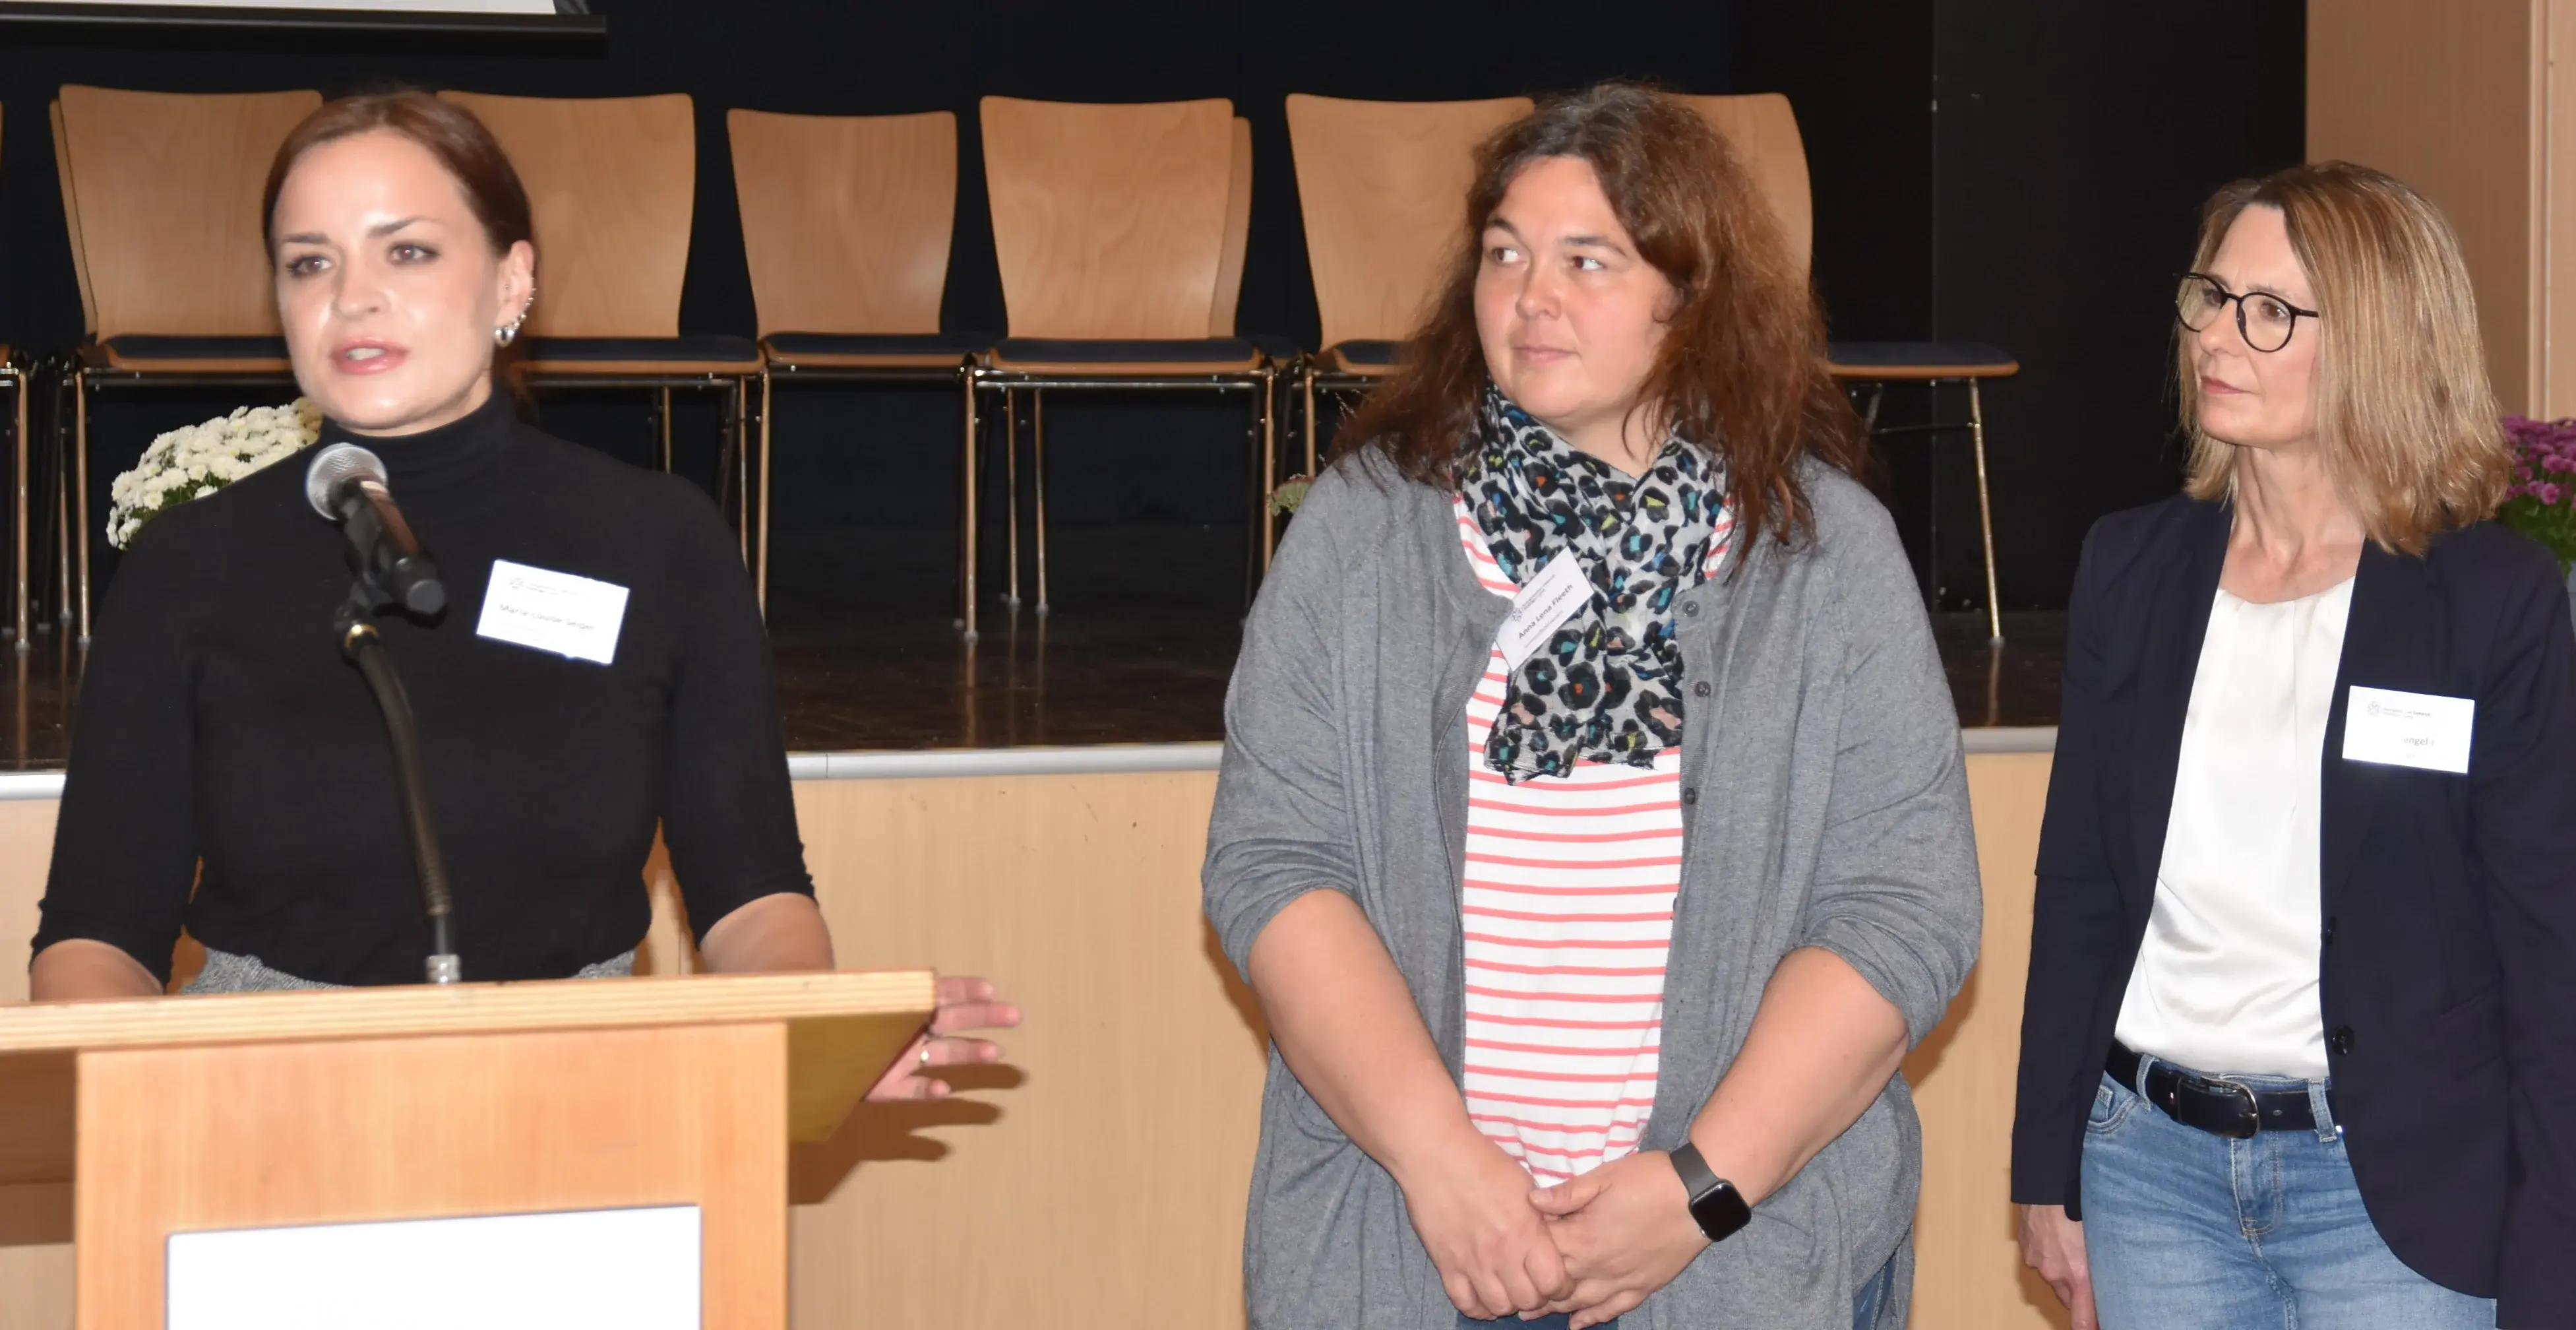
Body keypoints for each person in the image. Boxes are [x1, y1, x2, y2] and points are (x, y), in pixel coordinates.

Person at [27, 91, 1013, 1098]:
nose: (351, 297)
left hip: (585, 1086)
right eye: (309, 261)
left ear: (513, 278)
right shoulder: (192, 563)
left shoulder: (655, 541)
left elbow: (754, 900)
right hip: (250, 1100)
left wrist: (813, 1046)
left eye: (406, 252)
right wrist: (140, 1095)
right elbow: (96, 939)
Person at [1202, 84, 1981, 1330]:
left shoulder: (1824, 555)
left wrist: (1699, 1191)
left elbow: (1900, 908)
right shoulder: (1365, 532)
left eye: (1588, 261)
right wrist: (1446, 1170)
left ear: (1694, 298)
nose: (1529, 296)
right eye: (1505, 253)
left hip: (1738, 1256)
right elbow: (1276, 865)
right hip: (1407, 1242)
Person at [2011, 162, 2576, 1329]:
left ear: (2375, 338)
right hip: (2147, 1173)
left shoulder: (2489, 600)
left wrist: (2555, 1249)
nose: (2217, 336)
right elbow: (2076, 889)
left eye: (2266, 313)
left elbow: (2547, 949)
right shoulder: (2131, 567)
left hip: (2397, 1195)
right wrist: (2042, 1167)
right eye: (2210, 297)